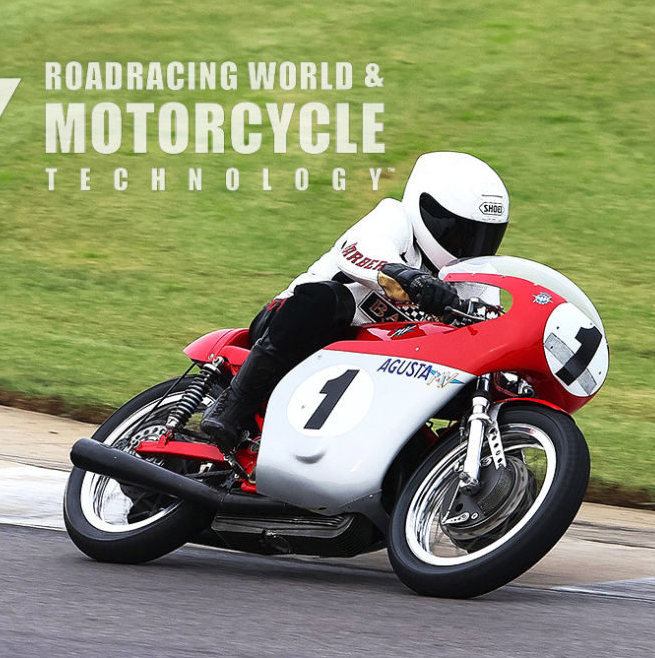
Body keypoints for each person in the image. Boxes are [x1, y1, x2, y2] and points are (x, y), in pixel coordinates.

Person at [199, 151, 510, 450]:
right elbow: (360, 252)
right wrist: (414, 280)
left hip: (377, 369)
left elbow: (490, 332)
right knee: (326, 298)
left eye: (486, 236)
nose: (471, 246)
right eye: (461, 233)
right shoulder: (395, 218)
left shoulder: (479, 279)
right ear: (427, 210)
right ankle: (233, 405)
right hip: (297, 332)